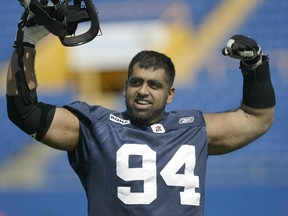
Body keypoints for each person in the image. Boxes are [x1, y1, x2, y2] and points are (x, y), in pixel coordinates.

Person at [6, 9, 275, 216]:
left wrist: (256, 65)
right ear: (125, 88)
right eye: (137, 82)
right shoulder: (95, 127)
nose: (143, 91)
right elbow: (24, 111)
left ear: (170, 94)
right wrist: (28, 40)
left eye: (154, 85)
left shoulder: (192, 129)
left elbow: (256, 119)